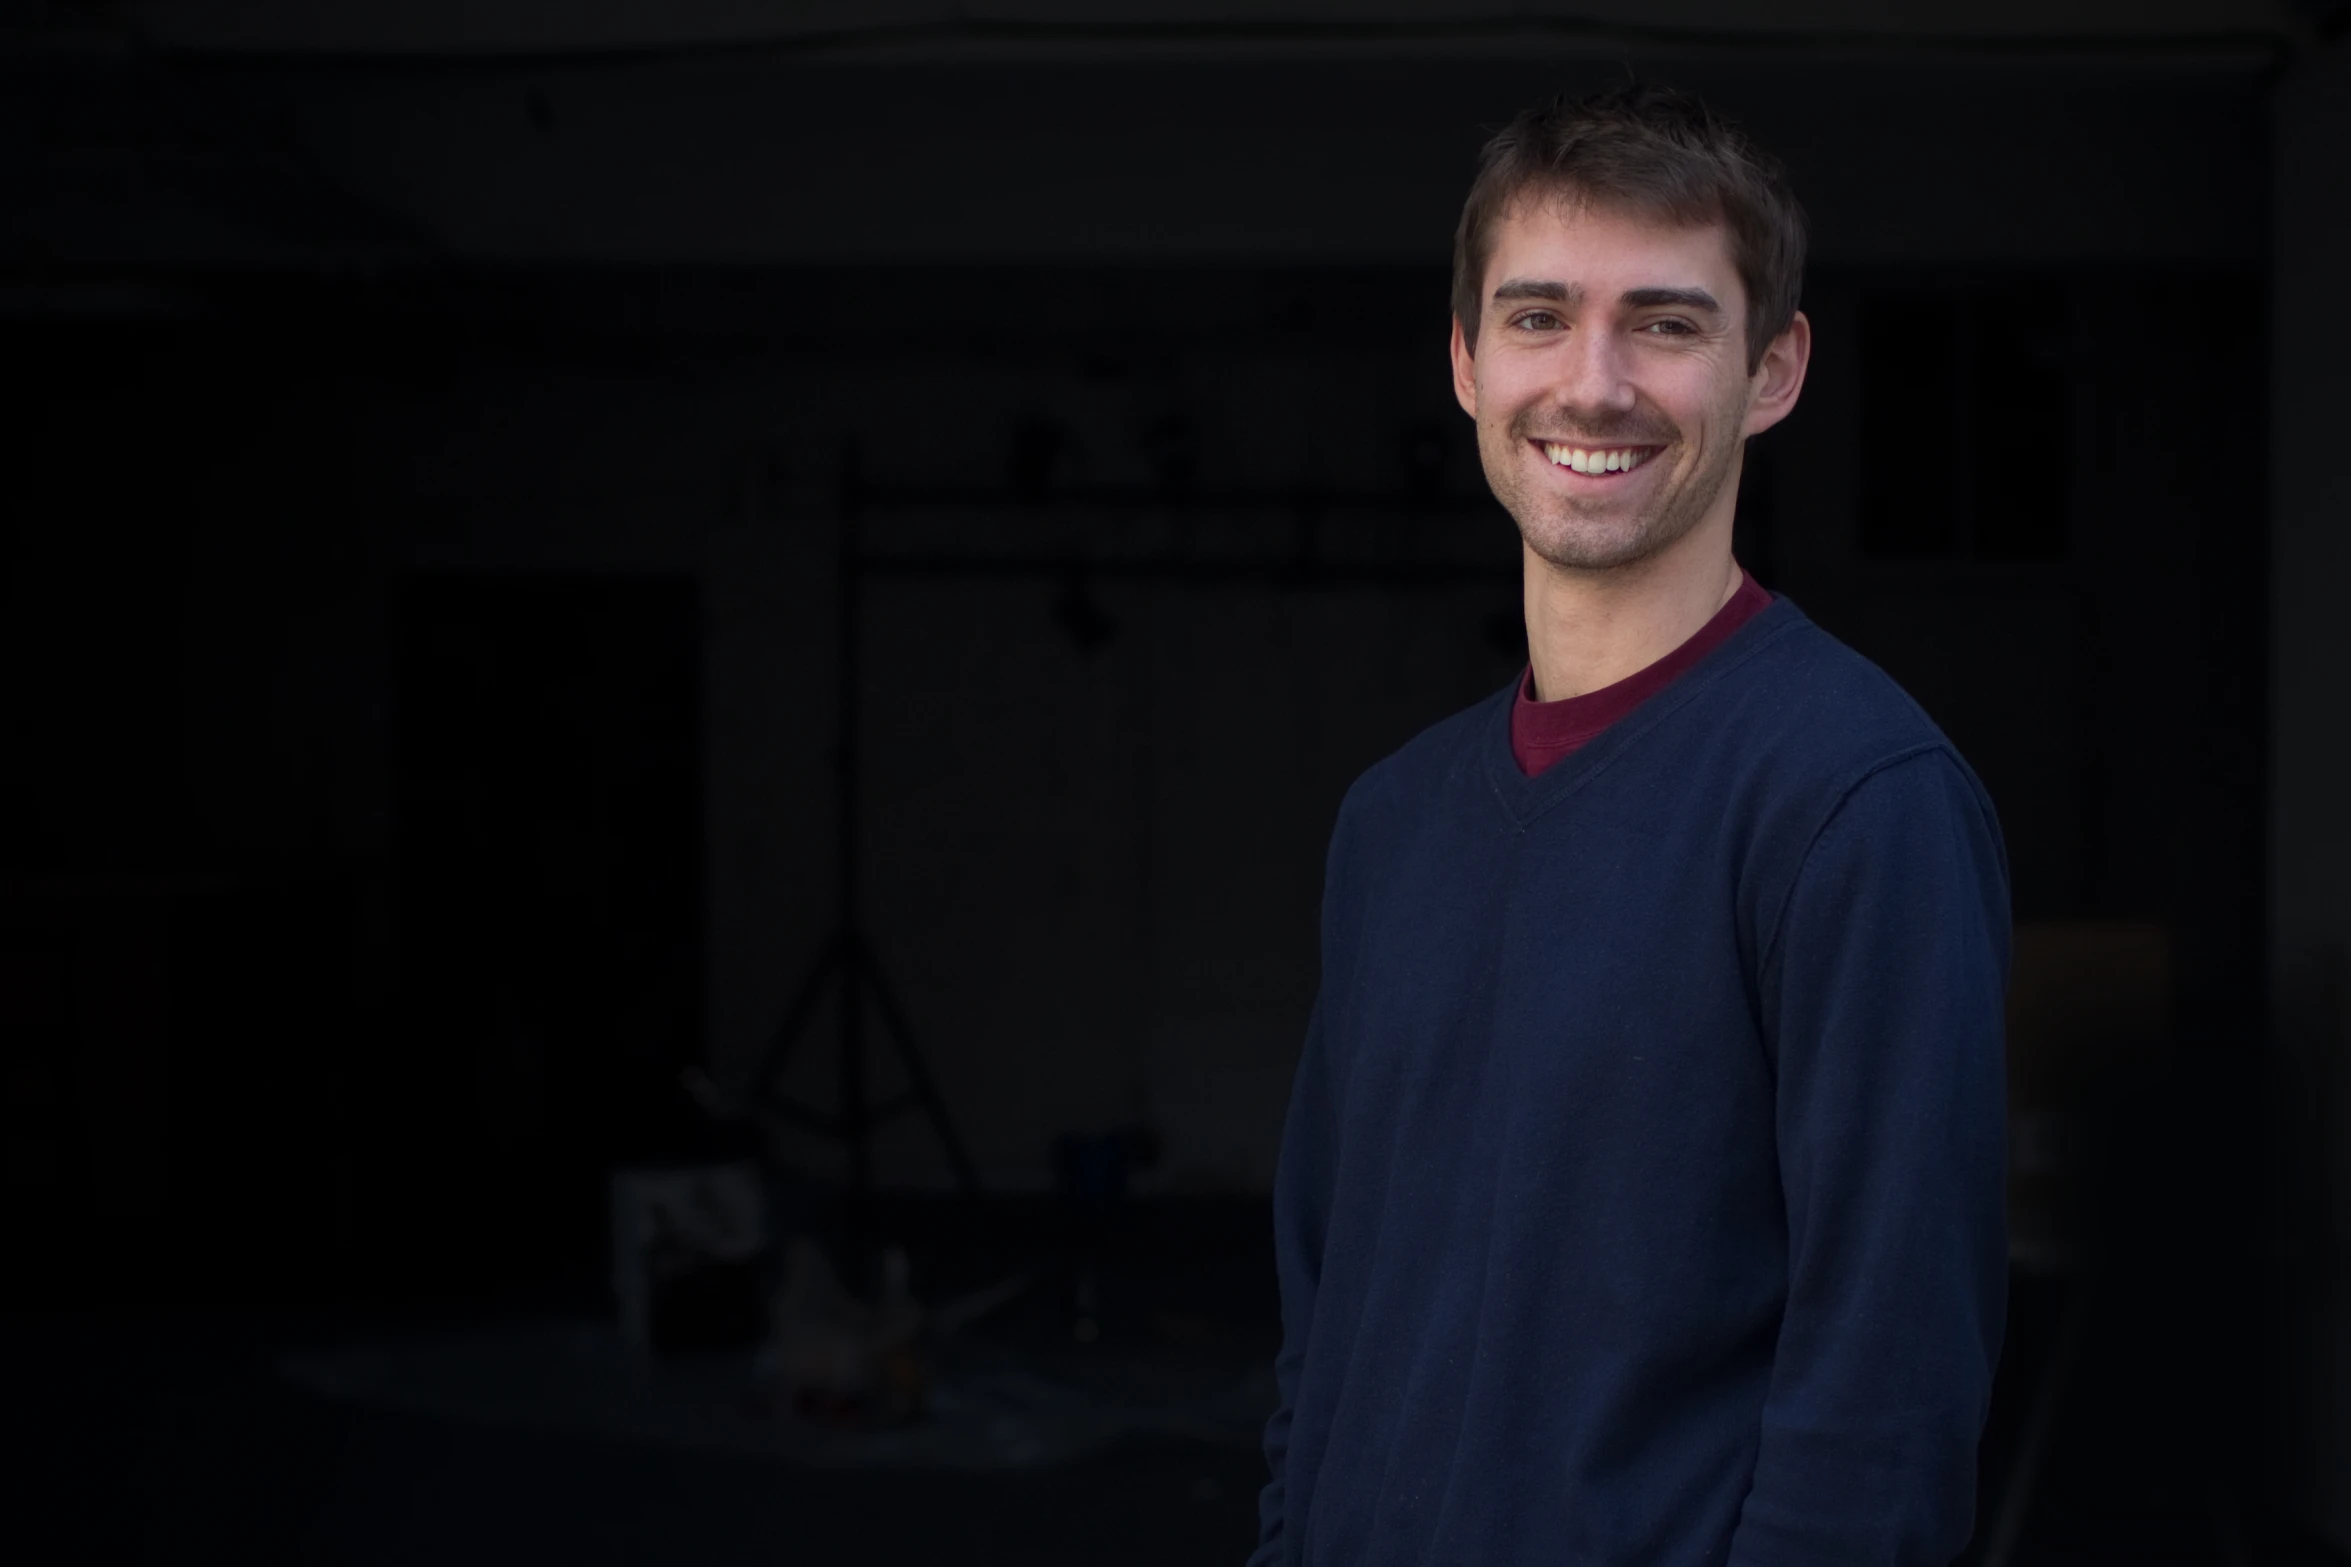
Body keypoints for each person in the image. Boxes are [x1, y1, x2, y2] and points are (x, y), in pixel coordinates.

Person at [1251, 83, 2010, 1567]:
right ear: (1467, 362)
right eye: (1537, 317)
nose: (1591, 384)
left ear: (1772, 368)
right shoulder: (1390, 824)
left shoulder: (1856, 801)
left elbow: (1886, 1393)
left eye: (1663, 323)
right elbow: (1321, 1310)